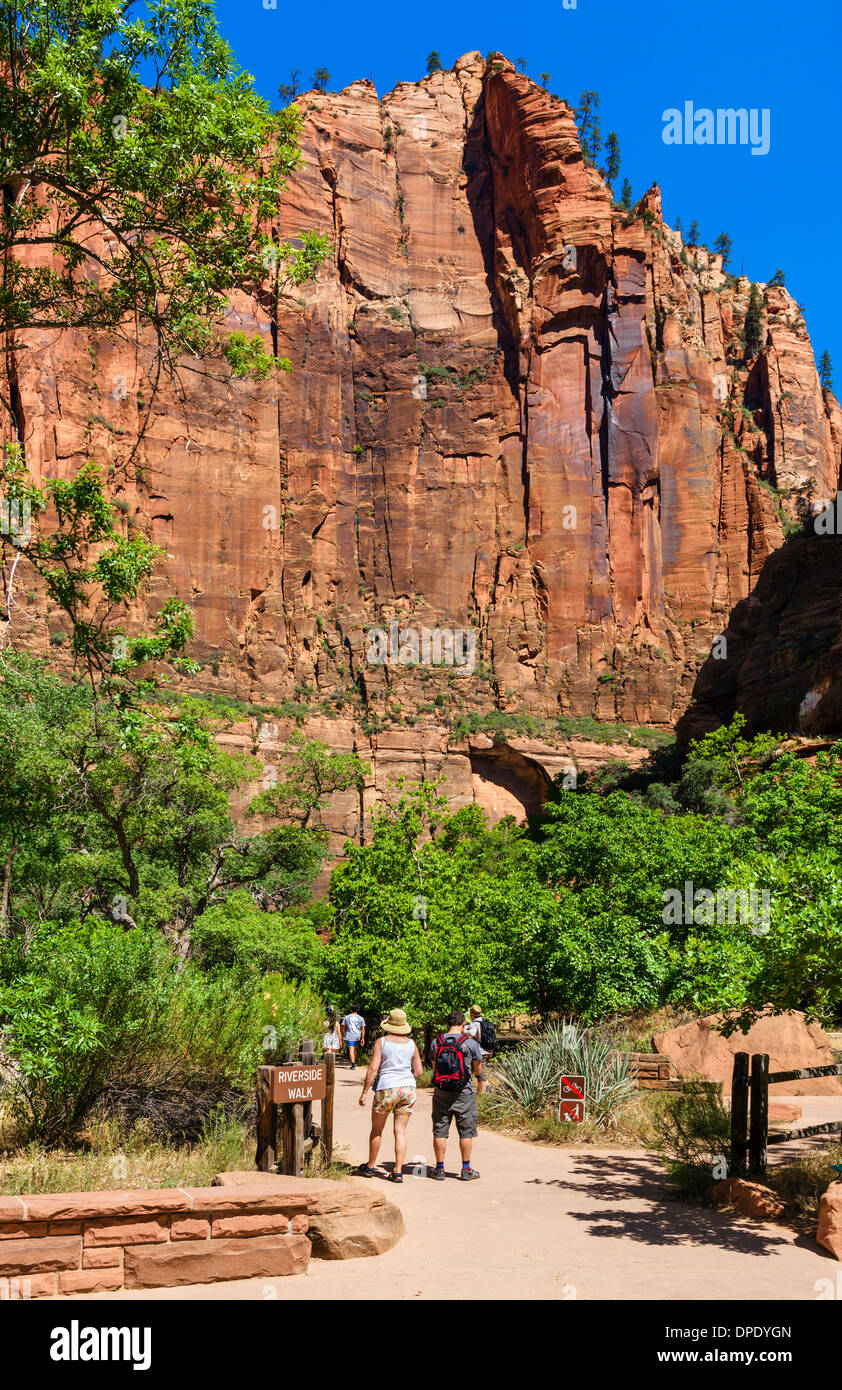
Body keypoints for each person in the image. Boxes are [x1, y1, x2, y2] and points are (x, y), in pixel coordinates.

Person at [357, 1009, 422, 1182]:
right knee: (400, 1131)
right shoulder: (411, 1044)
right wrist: (405, 1079)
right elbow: (419, 1071)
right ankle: (398, 1171)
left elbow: (373, 1068)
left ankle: (370, 1167)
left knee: (377, 1130)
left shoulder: (382, 1042)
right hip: (407, 1089)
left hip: (386, 1088)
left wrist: (364, 1092)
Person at [429, 1010, 483, 1181]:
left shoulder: (436, 1042)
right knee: (466, 1132)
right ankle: (466, 1169)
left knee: (440, 1130)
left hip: (441, 1092)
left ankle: (439, 1169)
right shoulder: (470, 1043)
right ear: (464, 1024)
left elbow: (434, 1065)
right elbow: (477, 1070)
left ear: (447, 1024)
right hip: (464, 1092)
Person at [464, 1004, 492, 1094]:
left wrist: (463, 1030)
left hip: (480, 1051)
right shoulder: (485, 1022)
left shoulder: (474, 1024)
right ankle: (488, 1087)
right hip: (489, 1050)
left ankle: (482, 1092)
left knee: (479, 1073)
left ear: (472, 1015)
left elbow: (471, 1034)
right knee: (483, 1071)